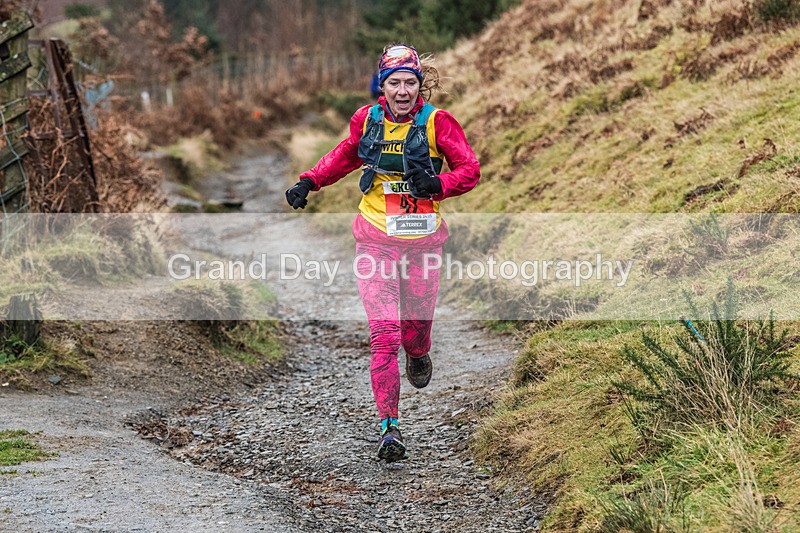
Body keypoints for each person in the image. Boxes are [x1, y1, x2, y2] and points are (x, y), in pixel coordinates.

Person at [285, 43, 480, 463]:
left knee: (413, 332)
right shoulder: (367, 120)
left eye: (411, 82)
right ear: (383, 86)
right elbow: (346, 155)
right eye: (395, 83)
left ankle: (419, 349)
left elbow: (470, 170)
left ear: (419, 84)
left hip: (423, 244)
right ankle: (389, 426)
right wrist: (309, 181)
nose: (404, 90)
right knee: (385, 333)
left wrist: (439, 186)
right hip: (374, 238)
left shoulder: (438, 123)